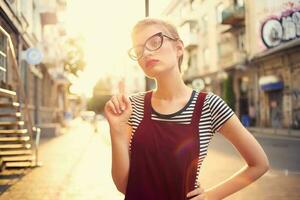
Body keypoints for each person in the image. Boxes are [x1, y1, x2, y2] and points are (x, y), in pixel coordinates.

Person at [104, 18, 269, 200]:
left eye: (155, 42)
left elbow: (259, 164)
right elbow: (124, 186)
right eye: (138, 50)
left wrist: (210, 196)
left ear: (179, 48)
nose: (146, 53)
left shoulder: (209, 105)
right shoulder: (132, 107)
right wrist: (116, 131)